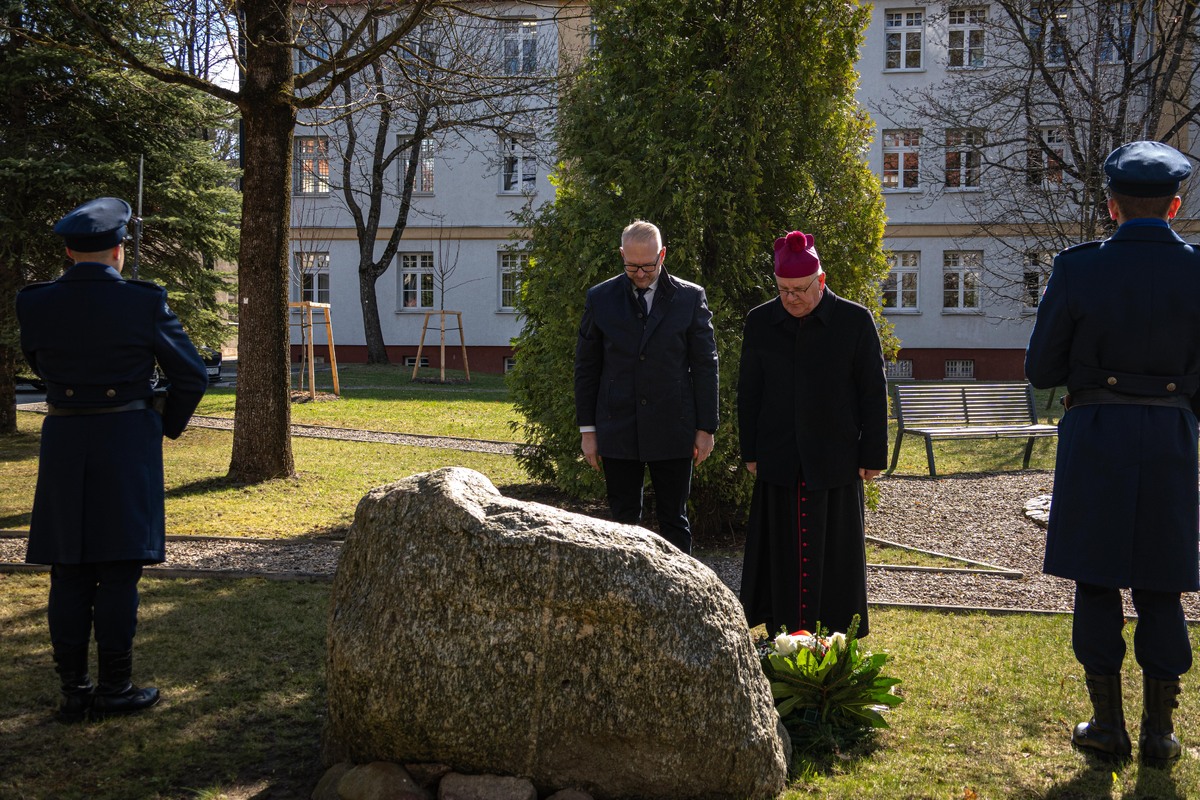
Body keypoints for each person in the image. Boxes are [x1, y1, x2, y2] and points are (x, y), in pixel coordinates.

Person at [1026, 141, 1199, 766]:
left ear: (1111, 206)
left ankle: (1107, 727)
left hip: (1097, 435)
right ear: (1175, 206)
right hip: (1170, 439)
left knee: (1096, 581)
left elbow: (1042, 368)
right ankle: (1159, 734)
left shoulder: (1077, 268)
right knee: (1162, 584)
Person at [16, 197, 209, 722]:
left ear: (68, 251)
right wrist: (162, 424)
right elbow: (191, 376)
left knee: (68, 570)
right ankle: (115, 687)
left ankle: (73, 691)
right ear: (119, 250)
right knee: (119, 570)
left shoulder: (34, 302)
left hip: (64, 439)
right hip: (125, 443)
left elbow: (39, 363)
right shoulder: (143, 302)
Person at [737, 230, 888, 639]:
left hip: (835, 458)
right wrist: (750, 450)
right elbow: (749, 392)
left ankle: (835, 637)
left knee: (836, 554)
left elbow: (872, 392)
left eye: (800, 290)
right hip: (779, 456)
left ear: (820, 280)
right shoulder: (761, 321)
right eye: (783, 290)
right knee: (781, 553)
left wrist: (872, 454)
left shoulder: (855, 320)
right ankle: (782, 637)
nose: (791, 298)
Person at [574, 220, 719, 554]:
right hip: (617, 425)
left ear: (662, 255)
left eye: (648, 266)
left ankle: (682, 586)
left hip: (673, 425)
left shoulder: (689, 297)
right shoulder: (600, 298)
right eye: (632, 266)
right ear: (622, 255)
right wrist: (588, 430)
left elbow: (705, 364)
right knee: (623, 524)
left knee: (675, 520)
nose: (640, 274)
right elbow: (586, 367)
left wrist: (706, 428)